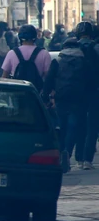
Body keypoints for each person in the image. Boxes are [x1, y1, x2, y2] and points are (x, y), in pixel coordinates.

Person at [43, 37, 88, 172]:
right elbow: (89, 80)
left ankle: (62, 154)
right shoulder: (84, 61)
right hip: (78, 99)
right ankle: (67, 152)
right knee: (73, 126)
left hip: (61, 98)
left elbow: (49, 79)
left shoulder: (58, 60)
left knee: (62, 126)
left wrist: (46, 96)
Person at [74, 21, 99, 169]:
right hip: (95, 91)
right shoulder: (96, 48)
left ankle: (78, 157)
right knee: (93, 125)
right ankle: (88, 159)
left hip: (77, 92)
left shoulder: (72, 48)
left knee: (79, 124)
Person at [0, 25, 51, 92]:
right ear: (35, 37)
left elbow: (4, 77)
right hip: (36, 94)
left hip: (16, 93)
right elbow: (48, 78)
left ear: (20, 37)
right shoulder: (44, 54)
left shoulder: (12, 53)